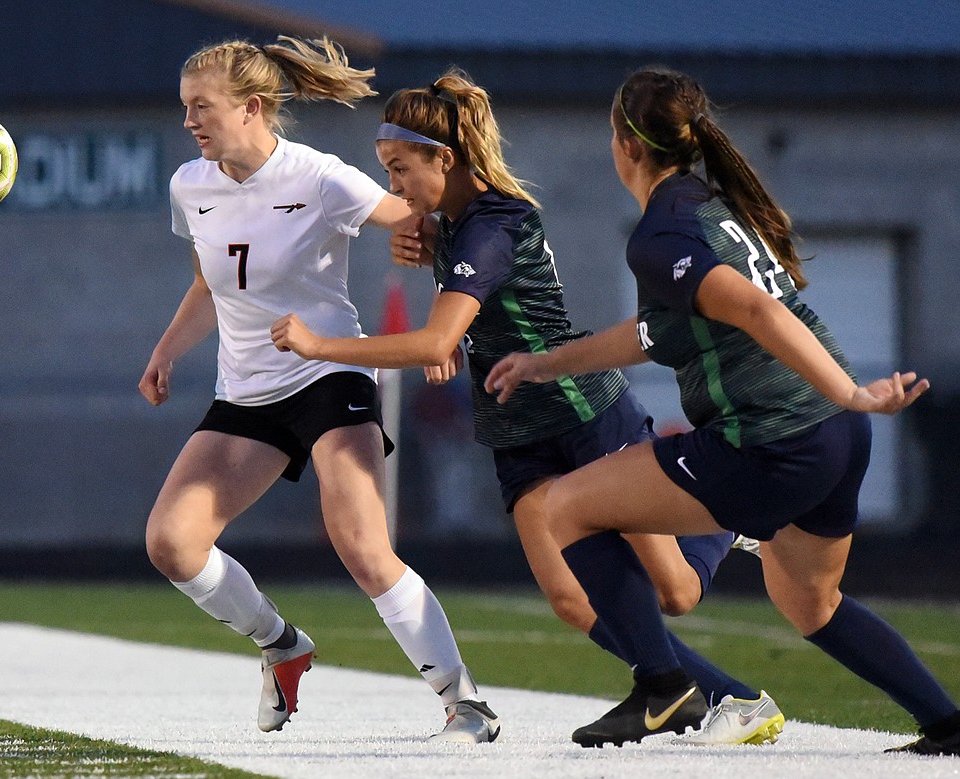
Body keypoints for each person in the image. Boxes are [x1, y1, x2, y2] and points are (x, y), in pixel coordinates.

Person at [270, 69, 783, 746]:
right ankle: (716, 696)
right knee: (572, 601)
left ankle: (729, 521)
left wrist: (320, 343)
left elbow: (439, 334)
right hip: (517, 432)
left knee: (677, 592)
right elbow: (456, 323)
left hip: (581, 416)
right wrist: (440, 316)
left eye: (398, 170)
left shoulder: (492, 225)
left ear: (443, 159)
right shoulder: (452, 223)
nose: (394, 190)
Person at [484, 65, 960, 753]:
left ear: (627, 145)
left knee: (564, 507)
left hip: (776, 437)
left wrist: (852, 390)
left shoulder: (661, 232)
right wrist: (547, 361)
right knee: (811, 604)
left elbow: (757, 308)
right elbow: (656, 334)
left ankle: (663, 684)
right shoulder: (711, 205)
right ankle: (948, 722)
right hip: (833, 435)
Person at [140, 36, 498, 744]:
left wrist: (438, 307)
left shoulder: (321, 177)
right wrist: (165, 350)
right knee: (172, 543)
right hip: (246, 391)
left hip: (329, 372)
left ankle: (464, 700)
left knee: (362, 542)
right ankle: (281, 644)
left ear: (251, 107)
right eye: (185, 108)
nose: (189, 121)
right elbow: (209, 281)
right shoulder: (191, 185)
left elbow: (429, 221)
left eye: (201, 107)